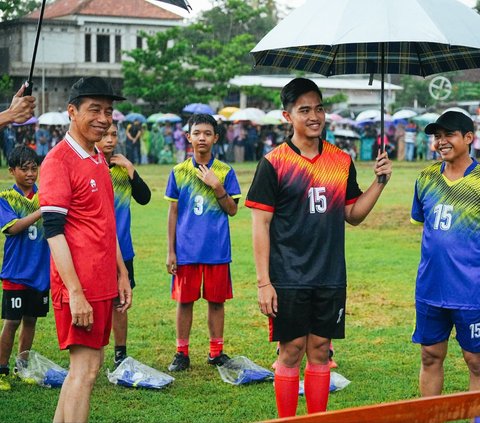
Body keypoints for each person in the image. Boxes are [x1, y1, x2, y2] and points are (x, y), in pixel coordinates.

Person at [245, 78, 392, 418]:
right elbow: (260, 225)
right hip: (289, 276)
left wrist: (379, 183)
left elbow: (352, 214)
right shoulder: (274, 162)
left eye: (319, 108)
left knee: (321, 350)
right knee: (291, 350)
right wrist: (263, 282)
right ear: (287, 116)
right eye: (305, 110)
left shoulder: (341, 161)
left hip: (329, 275)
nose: (315, 116)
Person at [39, 76, 132, 423]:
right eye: (95, 110)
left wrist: (121, 273)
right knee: (85, 372)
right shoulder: (58, 161)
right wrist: (75, 293)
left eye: (109, 111)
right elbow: (53, 232)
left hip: (103, 282)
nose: (104, 118)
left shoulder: (96, 158)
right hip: (79, 286)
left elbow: (106, 224)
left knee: (84, 370)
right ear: (72, 111)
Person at [410, 111, 480, 398]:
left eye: (449, 135)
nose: (441, 141)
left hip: (471, 292)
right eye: (437, 136)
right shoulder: (425, 178)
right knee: (429, 356)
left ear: (468, 138)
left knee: (476, 363)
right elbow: (425, 227)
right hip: (430, 289)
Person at [165, 113, 241, 372]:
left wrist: (218, 187)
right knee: (184, 301)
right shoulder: (178, 172)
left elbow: (232, 210)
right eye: (197, 133)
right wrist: (171, 251)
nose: (202, 138)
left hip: (217, 250)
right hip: (186, 252)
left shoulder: (226, 172)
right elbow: (173, 213)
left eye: (207, 133)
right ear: (188, 137)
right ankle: (181, 353)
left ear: (216, 138)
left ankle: (216, 352)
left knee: (216, 301)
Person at [97, 122, 151, 368]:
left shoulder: (122, 170)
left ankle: (120, 353)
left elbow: (144, 198)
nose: (109, 140)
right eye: (104, 134)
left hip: (124, 249)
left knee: (120, 302)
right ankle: (93, 350)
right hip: (96, 250)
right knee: (97, 302)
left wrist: (130, 168)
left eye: (113, 135)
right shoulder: (89, 167)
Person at [0, 146, 50, 391]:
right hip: (16, 272)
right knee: (11, 321)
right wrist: (41, 212)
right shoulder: (6, 198)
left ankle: (22, 367)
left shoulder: (47, 194)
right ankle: (1, 370)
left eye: (34, 168)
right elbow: (12, 228)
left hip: (40, 273)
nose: (31, 174)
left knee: (31, 320)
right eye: (24, 169)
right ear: (12, 171)